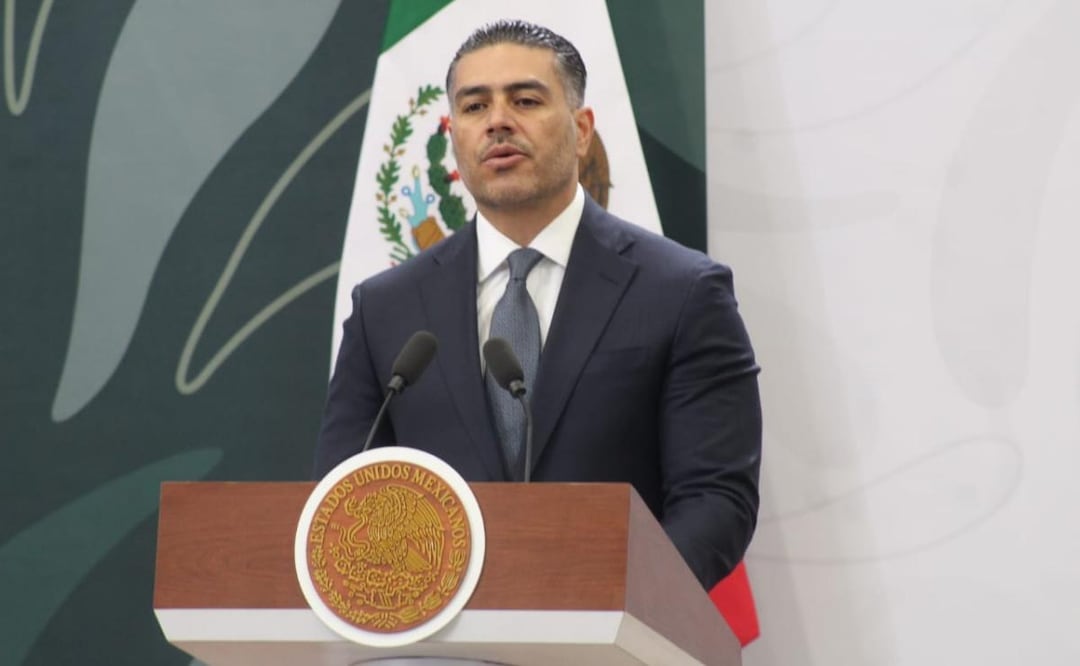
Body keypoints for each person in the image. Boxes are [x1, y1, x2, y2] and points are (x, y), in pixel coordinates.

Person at [315, 19, 761, 590]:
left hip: (614, 623)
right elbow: (344, 497)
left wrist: (612, 603)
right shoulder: (386, 309)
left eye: (525, 100)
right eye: (474, 107)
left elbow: (715, 500)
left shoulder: (681, 291)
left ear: (582, 130)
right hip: (437, 630)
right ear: (454, 136)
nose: (498, 121)